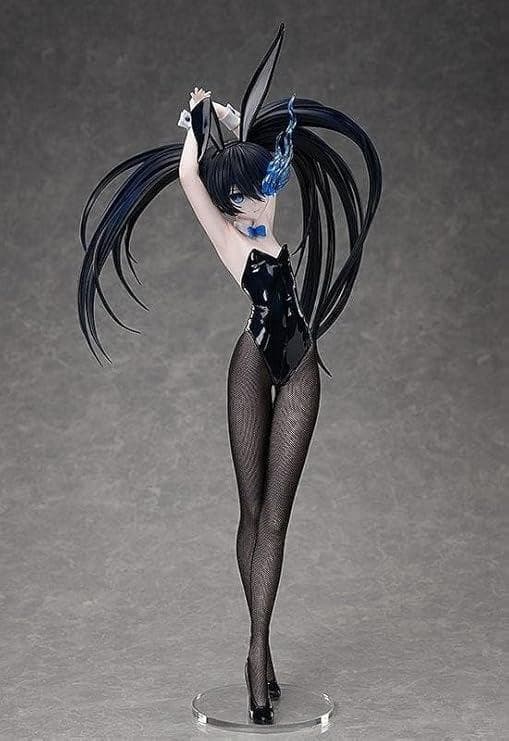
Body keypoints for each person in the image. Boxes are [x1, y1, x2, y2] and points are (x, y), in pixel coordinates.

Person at [77, 23, 382, 725]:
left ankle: (258, 647)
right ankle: (257, 652)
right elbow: (192, 176)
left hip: (298, 365)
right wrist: (194, 122)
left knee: (275, 517)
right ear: (228, 199)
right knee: (250, 512)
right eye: (244, 192)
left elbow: (254, 158)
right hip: (251, 359)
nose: (258, 198)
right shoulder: (227, 234)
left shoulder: (264, 216)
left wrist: (226, 119)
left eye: (259, 188)